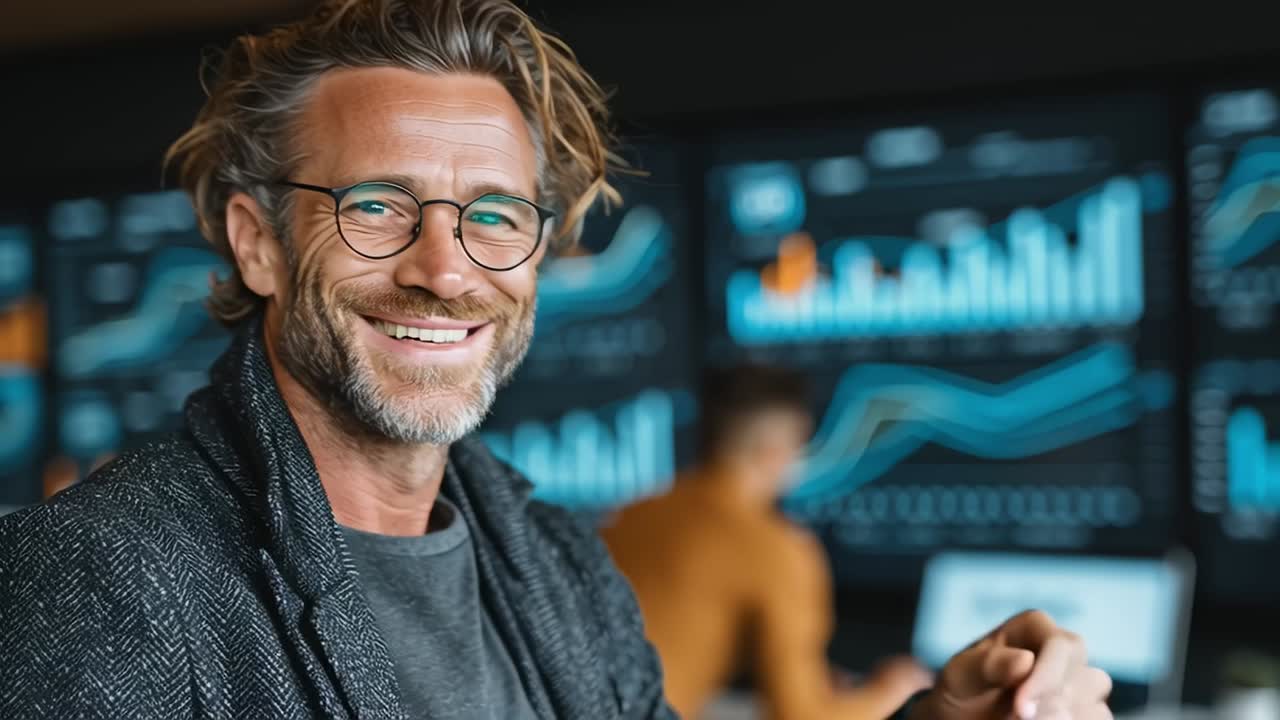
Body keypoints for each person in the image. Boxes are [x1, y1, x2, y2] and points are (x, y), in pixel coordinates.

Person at [0, 1, 1112, 718]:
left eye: (493, 215)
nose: (446, 269)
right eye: (378, 205)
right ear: (258, 242)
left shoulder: (553, 565)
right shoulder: (103, 580)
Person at [602, 365, 930, 719]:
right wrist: (893, 693)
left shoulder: (629, 515)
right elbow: (801, 717)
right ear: (778, 449)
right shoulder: (778, 550)